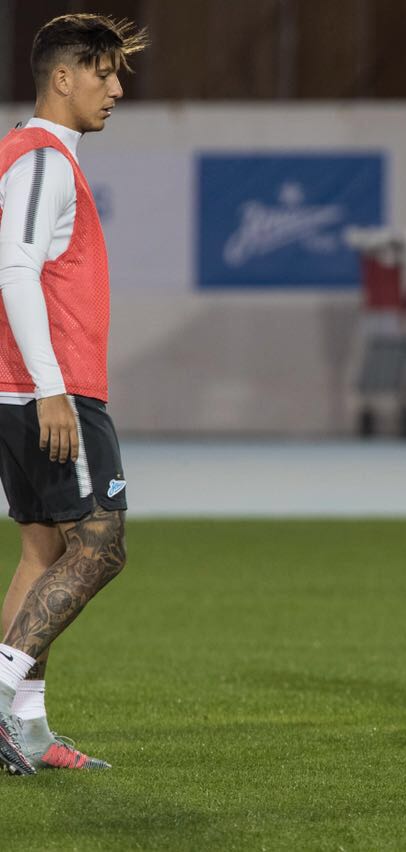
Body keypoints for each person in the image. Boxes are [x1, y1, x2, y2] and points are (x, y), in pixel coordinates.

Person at [0, 13, 148, 775]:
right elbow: (16, 268)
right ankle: (0, 690)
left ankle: (25, 731)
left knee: (43, 551)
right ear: (62, 77)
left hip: (24, 387)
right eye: (104, 72)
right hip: (49, 390)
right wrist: (52, 389)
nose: (116, 88)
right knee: (101, 545)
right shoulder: (43, 160)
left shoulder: (26, 155)